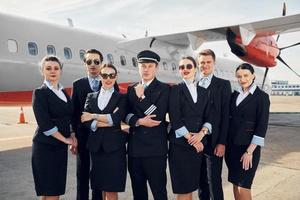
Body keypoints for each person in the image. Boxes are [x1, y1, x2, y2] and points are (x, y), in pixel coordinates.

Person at [125, 50, 170, 200]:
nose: (146, 69)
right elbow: (126, 114)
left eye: (150, 66)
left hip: (155, 151)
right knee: (138, 193)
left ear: (156, 68)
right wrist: (138, 121)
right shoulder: (131, 88)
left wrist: (142, 97)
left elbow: (157, 116)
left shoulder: (164, 89)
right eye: (143, 66)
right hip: (135, 150)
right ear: (138, 67)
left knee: (159, 192)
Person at [31, 56, 77, 200]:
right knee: (52, 192)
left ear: (60, 71)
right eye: (48, 68)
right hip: (45, 147)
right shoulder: (40, 93)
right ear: (42, 71)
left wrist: (72, 134)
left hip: (59, 148)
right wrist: (66, 140)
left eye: (56, 68)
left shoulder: (63, 92)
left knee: (49, 192)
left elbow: (68, 117)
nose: (53, 71)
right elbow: (45, 125)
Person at [81, 64, 127, 200]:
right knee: (98, 187)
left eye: (112, 75)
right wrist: (107, 121)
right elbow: (85, 120)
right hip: (96, 149)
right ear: (100, 77)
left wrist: (94, 116)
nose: (108, 78)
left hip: (114, 148)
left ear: (116, 77)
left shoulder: (121, 98)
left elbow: (116, 119)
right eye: (105, 75)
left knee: (112, 189)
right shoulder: (91, 96)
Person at [168, 56, 212, 200]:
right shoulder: (175, 90)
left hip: (197, 147)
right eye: (182, 67)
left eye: (188, 66)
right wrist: (193, 139)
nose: (185, 69)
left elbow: (209, 118)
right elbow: (175, 119)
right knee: (184, 189)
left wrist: (201, 134)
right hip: (180, 146)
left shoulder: (204, 91)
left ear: (195, 69)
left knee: (192, 187)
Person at [225, 63, 270, 200]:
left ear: (253, 76)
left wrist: (249, 152)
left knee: (243, 187)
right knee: (234, 183)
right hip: (232, 148)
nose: (242, 79)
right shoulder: (234, 95)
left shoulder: (261, 97)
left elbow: (262, 126)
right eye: (239, 76)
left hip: (248, 149)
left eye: (246, 75)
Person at [197, 49, 231, 200]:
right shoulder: (193, 85)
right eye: (202, 62)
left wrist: (222, 142)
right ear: (198, 65)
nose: (205, 65)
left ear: (214, 63)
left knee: (214, 181)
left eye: (208, 62)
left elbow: (225, 116)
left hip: (214, 141)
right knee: (201, 181)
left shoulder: (223, 85)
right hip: (196, 142)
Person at [71, 49, 103, 200]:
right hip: (82, 137)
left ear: (101, 64)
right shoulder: (77, 84)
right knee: (82, 174)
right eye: (89, 61)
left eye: (96, 61)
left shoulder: (108, 82)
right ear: (85, 64)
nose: (93, 65)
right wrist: (73, 137)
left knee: (98, 175)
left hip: (102, 137)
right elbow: (73, 113)